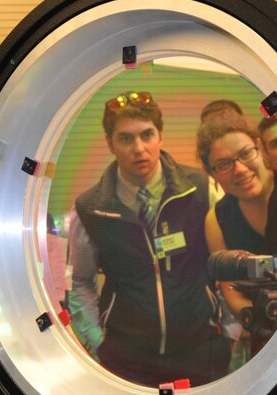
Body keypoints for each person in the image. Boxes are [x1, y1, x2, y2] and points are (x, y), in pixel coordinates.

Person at [67, 91, 230, 387]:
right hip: (125, 361)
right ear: (110, 144)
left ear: (160, 137)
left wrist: (230, 332)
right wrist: (98, 342)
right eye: (126, 139)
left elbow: (227, 265)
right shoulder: (90, 209)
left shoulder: (202, 190)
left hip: (201, 353)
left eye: (147, 135)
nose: (139, 148)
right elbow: (80, 282)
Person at [196, 113, 277, 355]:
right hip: (266, 337)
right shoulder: (217, 220)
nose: (239, 169)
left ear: (259, 148)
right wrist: (256, 320)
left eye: (246, 153)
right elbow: (230, 287)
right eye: (224, 164)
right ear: (212, 173)